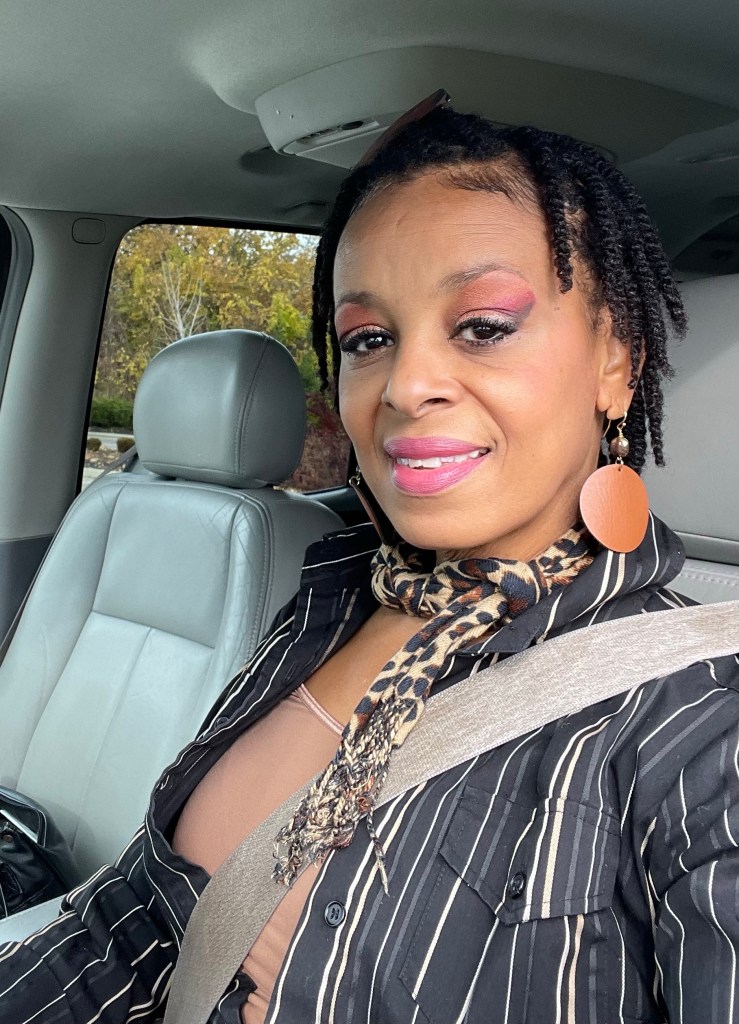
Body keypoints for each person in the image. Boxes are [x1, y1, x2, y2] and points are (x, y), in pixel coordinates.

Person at [1, 100, 737, 1024]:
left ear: (615, 363)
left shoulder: (699, 720)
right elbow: (132, 927)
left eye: (482, 326)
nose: (404, 385)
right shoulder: (333, 596)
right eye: (368, 340)